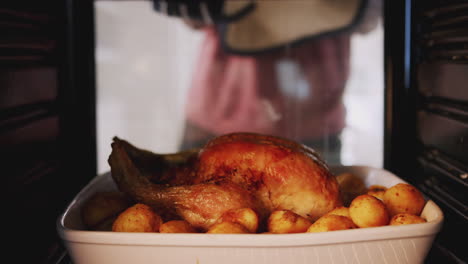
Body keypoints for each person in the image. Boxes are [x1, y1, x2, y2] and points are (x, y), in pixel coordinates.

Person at [175, 1, 381, 165]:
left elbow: (371, 15)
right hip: (218, 113)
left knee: (327, 210)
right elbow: (190, 15)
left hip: (312, 122)